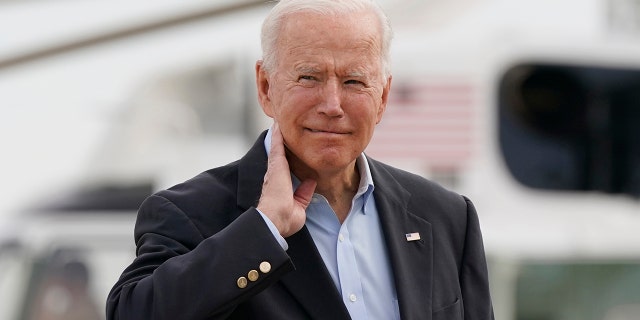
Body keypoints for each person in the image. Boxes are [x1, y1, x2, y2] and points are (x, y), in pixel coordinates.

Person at [106, 0, 494, 319]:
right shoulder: (189, 213)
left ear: (384, 97)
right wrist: (264, 229)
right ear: (265, 87)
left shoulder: (447, 217)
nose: (332, 105)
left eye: (354, 81)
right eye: (309, 77)